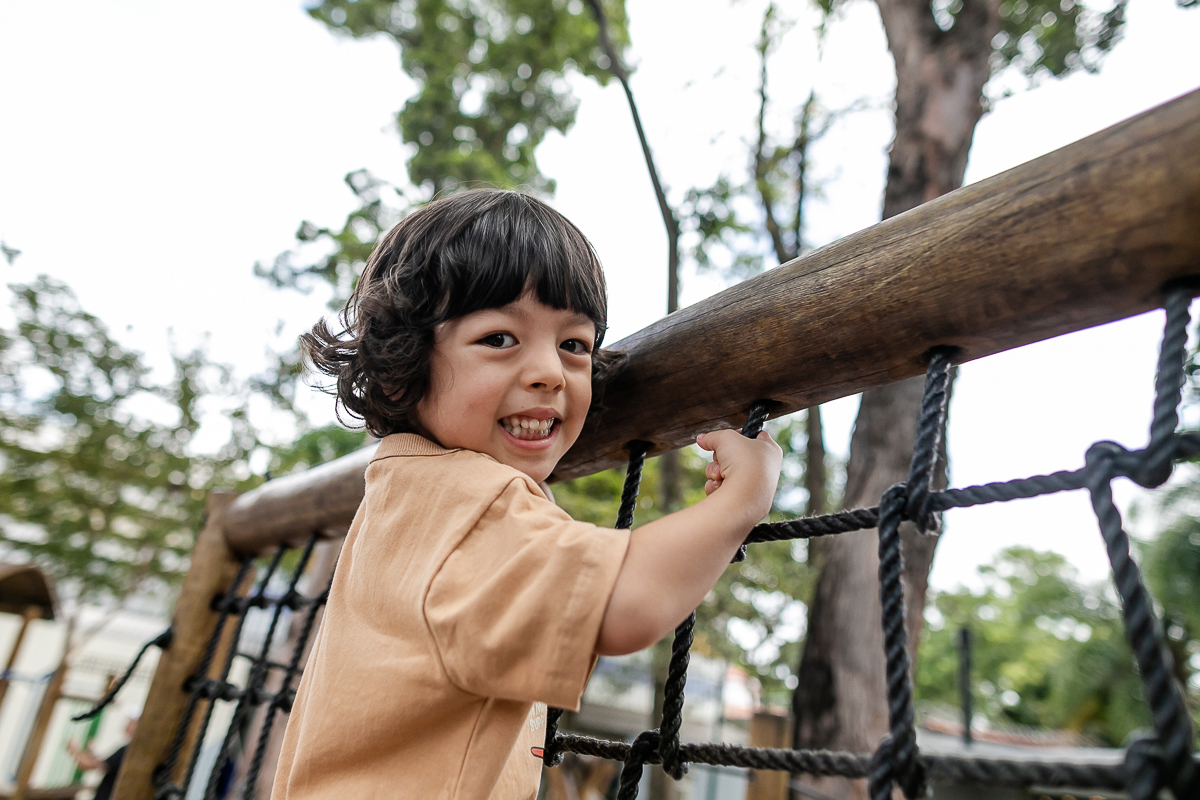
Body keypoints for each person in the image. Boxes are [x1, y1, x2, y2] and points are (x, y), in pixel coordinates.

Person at [271, 189, 782, 799]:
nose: (549, 371)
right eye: (498, 339)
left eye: (575, 345)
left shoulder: (405, 491)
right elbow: (627, 603)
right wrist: (740, 501)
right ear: (402, 366)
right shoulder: (470, 501)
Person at [67, 710, 137, 800]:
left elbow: (95, 765)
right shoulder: (128, 749)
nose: (127, 724)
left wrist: (75, 750)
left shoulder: (128, 750)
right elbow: (107, 765)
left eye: (131, 722)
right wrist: (92, 755)